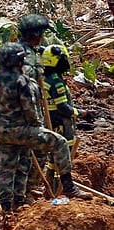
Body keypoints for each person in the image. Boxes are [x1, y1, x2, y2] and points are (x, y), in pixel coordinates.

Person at [0, 43, 88, 216]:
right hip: (22, 130)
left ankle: (8, 208)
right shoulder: (22, 81)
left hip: (1, 132)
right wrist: (36, 125)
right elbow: (30, 109)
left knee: (6, 168)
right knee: (59, 142)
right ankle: (68, 186)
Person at [41, 44, 93, 195]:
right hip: (61, 123)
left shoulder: (44, 78)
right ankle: (62, 189)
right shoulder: (56, 81)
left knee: (53, 157)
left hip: (50, 121)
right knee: (64, 155)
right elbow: (64, 108)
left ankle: (48, 188)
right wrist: (83, 113)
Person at [17, 13, 53, 202]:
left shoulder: (16, 51)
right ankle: (25, 191)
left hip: (16, 110)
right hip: (27, 110)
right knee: (37, 149)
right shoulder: (28, 58)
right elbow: (26, 86)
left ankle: (24, 191)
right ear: (36, 35)